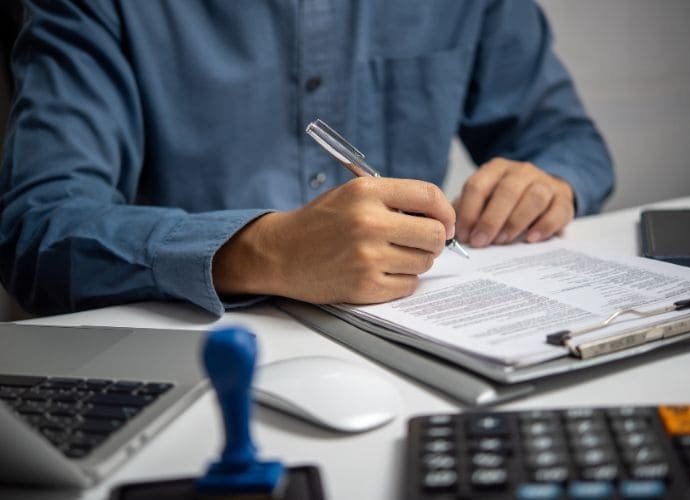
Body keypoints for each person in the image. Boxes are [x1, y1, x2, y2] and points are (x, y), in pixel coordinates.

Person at [0, 1, 613, 317]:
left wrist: (549, 182)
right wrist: (263, 250)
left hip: (419, 338)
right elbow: (37, 228)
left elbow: (570, 143)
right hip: (189, 356)